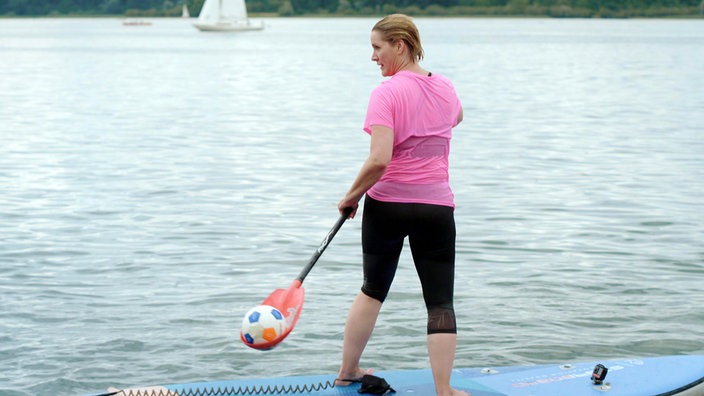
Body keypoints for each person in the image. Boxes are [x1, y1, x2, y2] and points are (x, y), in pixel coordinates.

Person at [335, 14, 467, 396]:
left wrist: (351, 196)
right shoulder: (445, 87)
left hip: (388, 205)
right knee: (440, 300)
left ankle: (348, 371)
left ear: (400, 45)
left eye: (377, 47)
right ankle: (444, 389)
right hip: (435, 207)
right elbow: (456, 116)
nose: (373, 57)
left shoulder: (387, 93)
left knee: (373, 288)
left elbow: (379, 159)